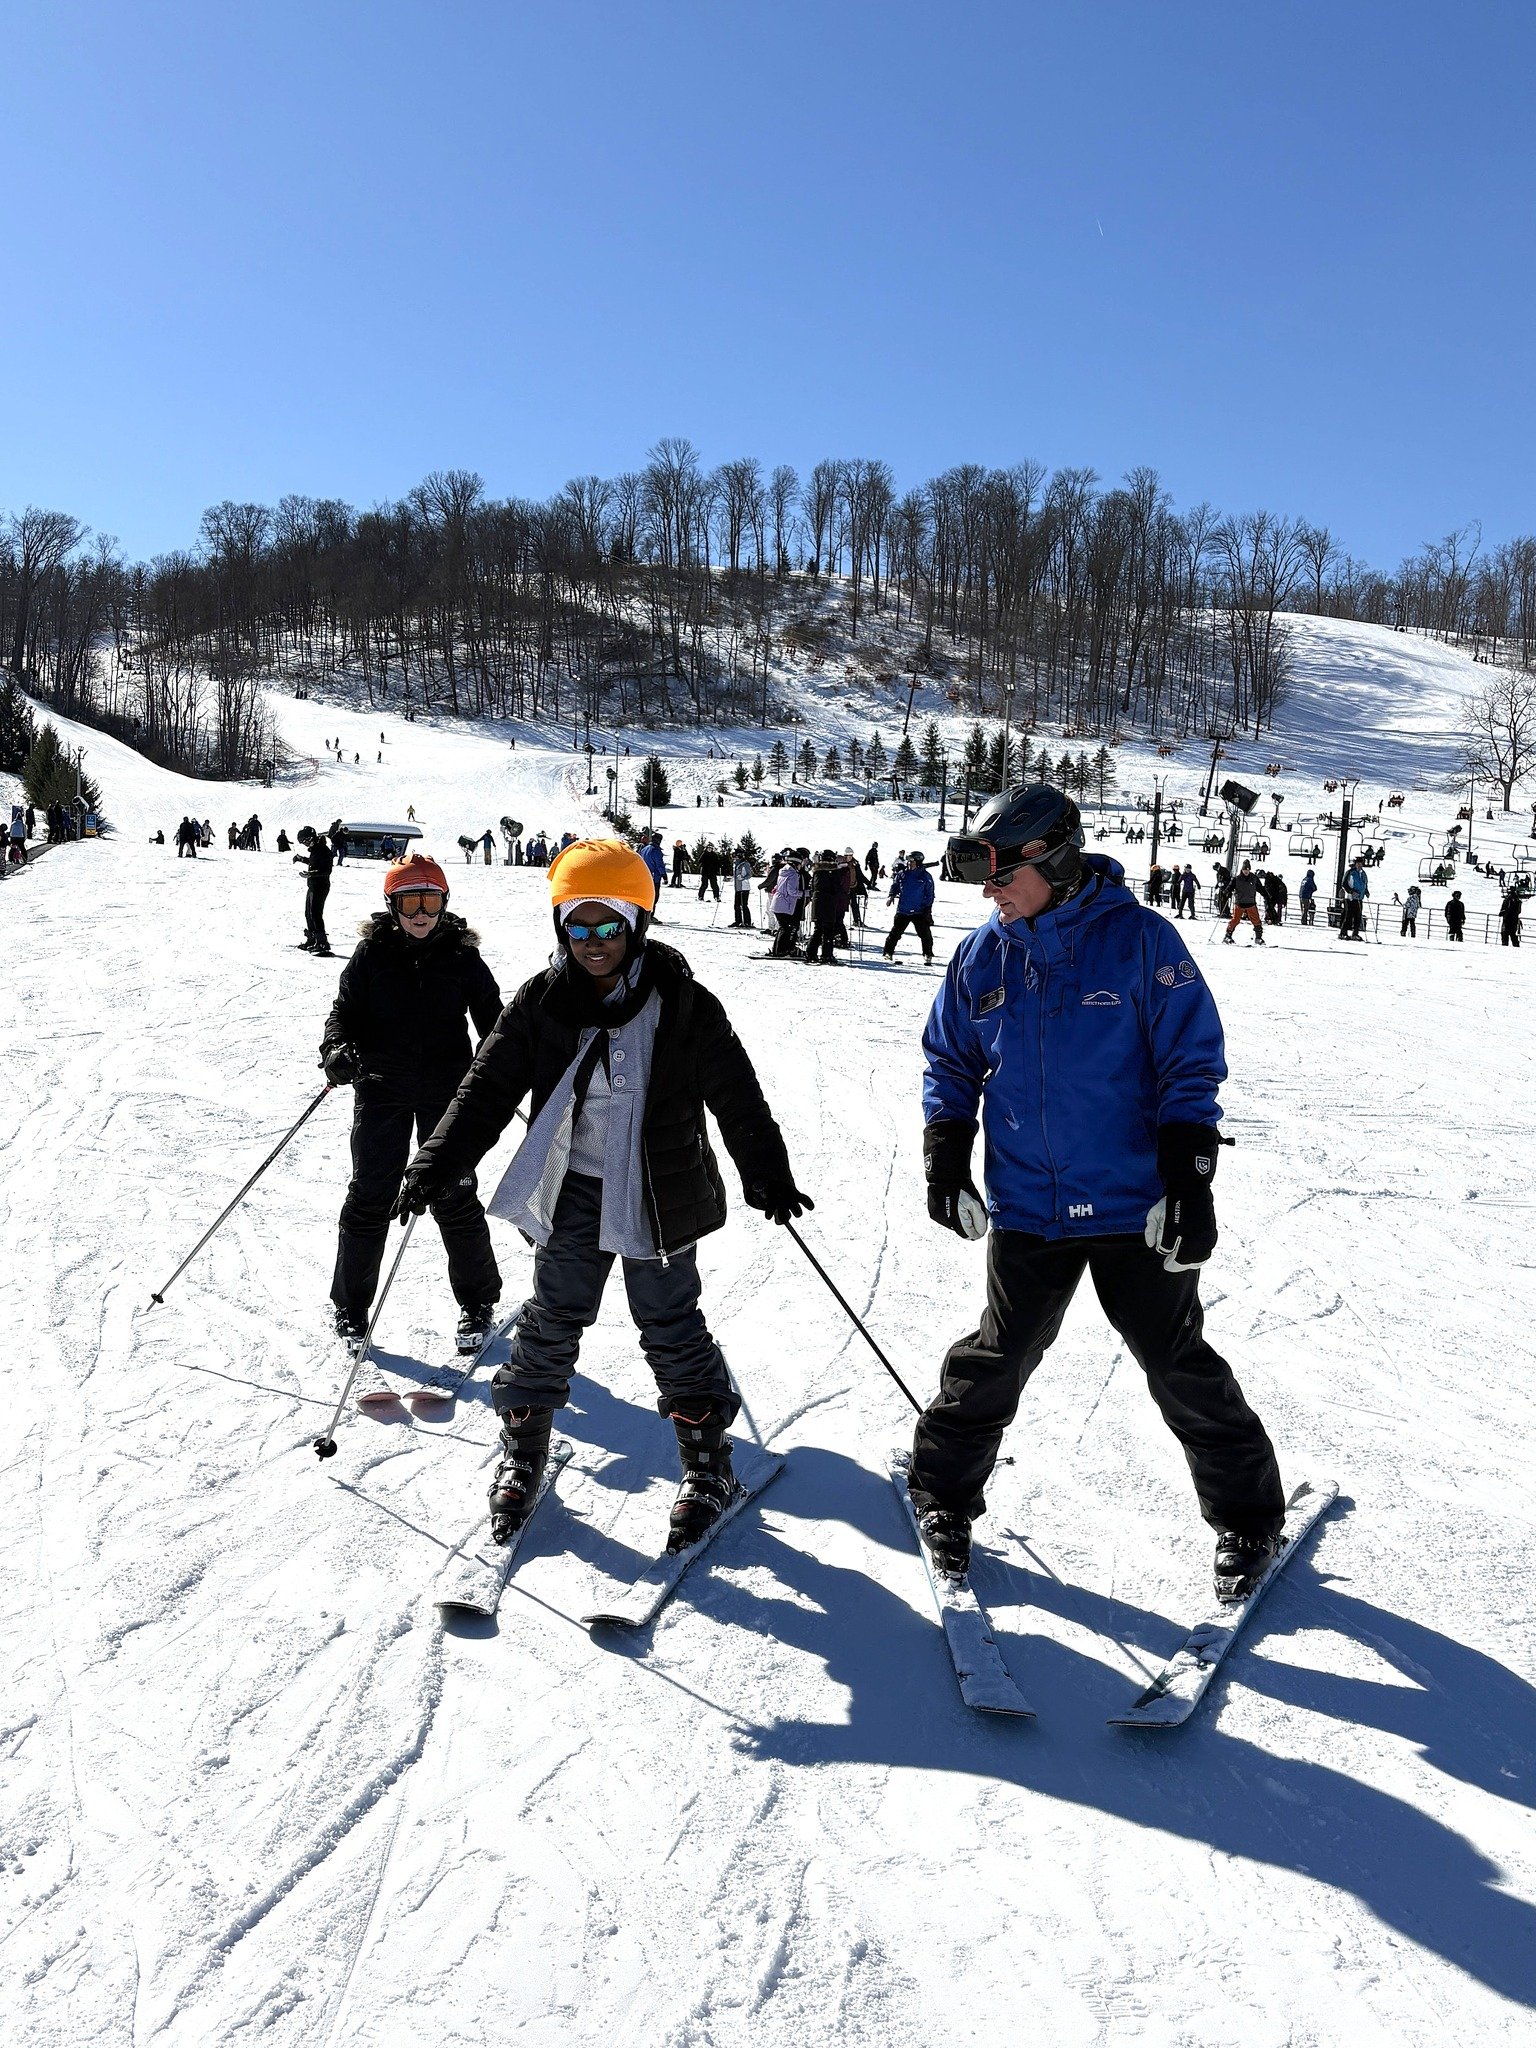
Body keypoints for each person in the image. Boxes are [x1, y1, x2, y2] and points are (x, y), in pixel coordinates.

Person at [910, 783, 1285, 1600]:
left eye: (1002, 872)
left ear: (1056, 858)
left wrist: (1190, 1186)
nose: (989, 890)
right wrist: (946, 1155)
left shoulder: (1144, 943)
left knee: (1176, 1363)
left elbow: (1191, 1067)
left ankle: (1249, 1516)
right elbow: (951, 1059)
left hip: (1133, 1210)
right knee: (997, 1357)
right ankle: (940, 1493)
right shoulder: (984, 953)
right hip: (1029, 1210)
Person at [395, 838, 810, 1553]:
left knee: (669, 1322)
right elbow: (488, 1088)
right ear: (562, 927)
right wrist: (437, 1162)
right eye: (578, 927)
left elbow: (736, 1093)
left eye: (609, 925)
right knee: (554, 1313)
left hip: (658, 1192)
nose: (593, 943)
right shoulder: (542, 999)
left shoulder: (682, 1001)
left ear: (635, 923)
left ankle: (708, 1463)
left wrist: (765, 1172)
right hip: (574, 1185)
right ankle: (524, 1447)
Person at [320, 854, 504, 1351]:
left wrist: (506, 1071)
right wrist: (337, 1050)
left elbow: (495, 1022)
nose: (420, 912)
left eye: (430, 900)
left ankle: (478, 1304)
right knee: (370, 1195)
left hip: (449, 1094)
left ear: (444, 904)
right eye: (409, 902)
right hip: (382, 1089)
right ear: (392, 905)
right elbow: (344, 1014)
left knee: (453, 1193)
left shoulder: (463, 956)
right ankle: (351, 1310)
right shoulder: (372, 954)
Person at [885, 851, 936, 963]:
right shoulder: (902, 874)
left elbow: (930, 894)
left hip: (919, 911)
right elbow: (895, 885)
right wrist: (891, 896)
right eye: (908, 861)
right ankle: (888, 952)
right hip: (903, 910)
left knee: (925, 934)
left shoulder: (925, 876)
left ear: (917, 862)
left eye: (911, 861)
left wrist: (927, 908)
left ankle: (927, 954)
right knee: (895, 933)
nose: (908, 863)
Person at [293, 826, 335, 955]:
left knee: (316, 914)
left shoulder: (324, 850)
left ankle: (322, 943)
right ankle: (312, 940)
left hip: (321, 886)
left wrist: (311, 874)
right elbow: (314, 863)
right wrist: (301, 859)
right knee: (308, 913)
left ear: (311, 838)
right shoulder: (316, 850)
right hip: (312, 885)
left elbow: (327, 870)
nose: (305, 844)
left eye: (305, 841)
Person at [805, 849, 848, 964]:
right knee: (828, 930)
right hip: (829, 903)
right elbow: (836, 888)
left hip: (817, 902)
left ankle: (810, 953)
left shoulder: (816, 871)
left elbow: (813, 887)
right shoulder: (833, 872)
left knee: (818, 930)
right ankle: (826, 955)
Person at [769, 854, 803, 957]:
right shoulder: (793, 874)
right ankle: (780, 951)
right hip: (784, 904)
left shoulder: (783, 871)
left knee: (783, 927)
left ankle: (777, 949)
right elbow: (791, 891)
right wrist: (803, 893)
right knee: (785, 928)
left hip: (777, 903)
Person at [1223, 861, 1265, 946]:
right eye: (1245, 869)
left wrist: (1267, 895)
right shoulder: (1236, 879)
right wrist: (1227, 893)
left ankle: (1258, 937)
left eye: (1248, 869)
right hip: (1240, 903)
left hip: (1251, 903)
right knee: (1235, 920)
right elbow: (1230, 887)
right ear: (1242, 870)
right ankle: (1227, 936)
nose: (1246, 871)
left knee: (1256, 920)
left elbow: (1261, 888)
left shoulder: (1254, 878)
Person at [1340, 857, 1369, 941]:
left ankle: (1355, 933)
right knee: (1348, 916)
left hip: (1359, 898)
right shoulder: (1350, 872)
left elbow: (1364, 884)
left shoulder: (1363, 873)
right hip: (1350, 898)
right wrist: (1350, 891)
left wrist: (1366, 891)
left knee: (1358, 917)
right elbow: (1344, 883)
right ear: (1355, 864)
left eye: (1361, 863)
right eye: (1358, 863)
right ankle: (1343, 933)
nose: (1360, 865)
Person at [731, 849, 754, 928]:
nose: (736, 856)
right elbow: (735, 875)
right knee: (736, 905)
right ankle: (738, 921)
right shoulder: (735, 864)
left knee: (744, 905)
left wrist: (743, 877)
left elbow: (750, 874)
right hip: (737, 887)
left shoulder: (745, 864)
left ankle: (747, 921)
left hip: (744, 887)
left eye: (737, 854)